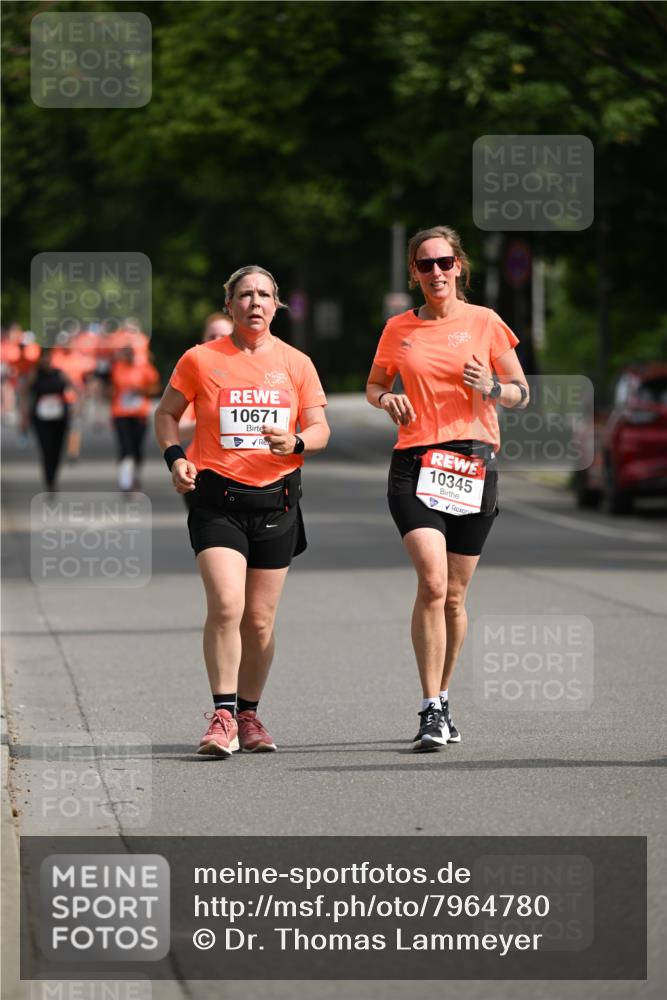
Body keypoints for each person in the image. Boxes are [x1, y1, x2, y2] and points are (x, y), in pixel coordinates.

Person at [366, 225, 529, 752]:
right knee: (433, 583)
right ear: (413, 273)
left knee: (455, 597)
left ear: (459, 266)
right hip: (414, 463)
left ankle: (445, 695)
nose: (435, 272)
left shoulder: (485, 322)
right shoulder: (398, 329)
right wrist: (385, 400)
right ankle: (430, 707)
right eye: (425, 264)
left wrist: (493, 388)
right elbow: (374, 384)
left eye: (444, 262)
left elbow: (520, 393)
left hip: (471, 463)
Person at [155, 265, 329, 757]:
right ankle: (223, 715)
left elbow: (320, 430)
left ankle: (250, 713)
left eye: (264, 295)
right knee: (227, 605)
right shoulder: (200, 359)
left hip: (276, 502)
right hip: (217, 502)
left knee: (258, 620)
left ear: (277, 306)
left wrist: (295, 440)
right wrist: (177, 458)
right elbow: (165, 414)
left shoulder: (296, 363)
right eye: (245, 294)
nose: (255, 302)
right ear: (229, 304)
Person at [22, 348, 76, 493]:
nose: (46, 361)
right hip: (41, 418)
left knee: (57, 450)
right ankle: (49, 479)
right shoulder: (34, 375)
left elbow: (75, 388)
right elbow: (25, 394)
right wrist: (24, 417)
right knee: (46, 448)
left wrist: (74, 407)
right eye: (44, 358)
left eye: (48, 358)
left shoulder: (60, 374)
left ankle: (53, 476)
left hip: (59, 417)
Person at [109, 344, 160, 493]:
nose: (129, 357)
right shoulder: (117, 368)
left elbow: (156, 388)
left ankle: (135, 476)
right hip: (121, 414)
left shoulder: (145, 369)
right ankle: (125, 481)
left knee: (137, 449)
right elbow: (111, 389)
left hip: (140, 414)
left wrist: (142, 390)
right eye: (126, 354)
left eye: (131, 353)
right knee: (126, 447)